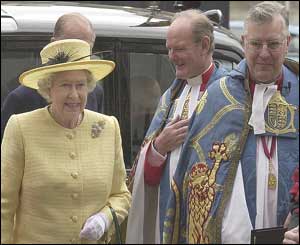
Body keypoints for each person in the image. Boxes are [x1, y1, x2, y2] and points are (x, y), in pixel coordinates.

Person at [161, 2, 299, 244]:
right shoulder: (218, 96)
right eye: (256, 44)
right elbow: (191, 181)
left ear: (287, 42)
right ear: (244, 41)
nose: (264, 53)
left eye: (274, 44)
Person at [1, 39, 131, 244]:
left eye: (80, 85)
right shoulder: (21, 128)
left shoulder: (108, 127)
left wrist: (104, 220)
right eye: (65, 85)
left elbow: (121, 195)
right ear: (48, 89)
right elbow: (4, 204)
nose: (74, 94)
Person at [126, 9, 227, 244]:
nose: (171, 56)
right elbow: (148, 177)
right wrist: (159, 146)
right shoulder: (170, 97)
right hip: (167, 218)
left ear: (204, 45)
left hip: (207, 221)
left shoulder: (228, 96)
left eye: (179, 49)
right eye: (169, 48)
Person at [1, 13, 104, 142]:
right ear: (53, 44)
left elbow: (97, 139)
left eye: (85, 49)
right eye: (71, 48)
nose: (74, 95)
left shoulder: (95, 93)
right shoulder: (21, 98)